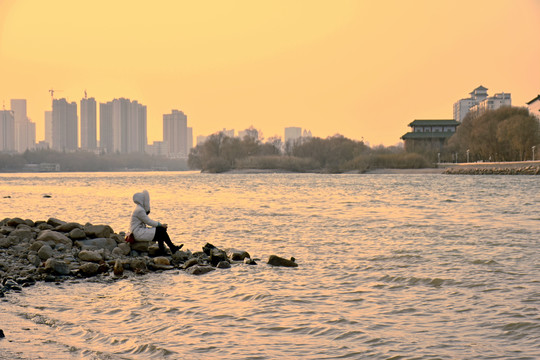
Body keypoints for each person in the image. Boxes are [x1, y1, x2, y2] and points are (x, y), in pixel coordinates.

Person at [130, 190, 182, 255]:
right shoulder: (140, 210)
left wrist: (160, 226)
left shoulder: (139, 209)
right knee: (161, 230)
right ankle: (170, 248)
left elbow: (146, 220)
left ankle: (165, 249)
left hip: (139, 231)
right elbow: (149, 221)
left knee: (161, 231)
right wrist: (160, 225)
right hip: (138, 233)